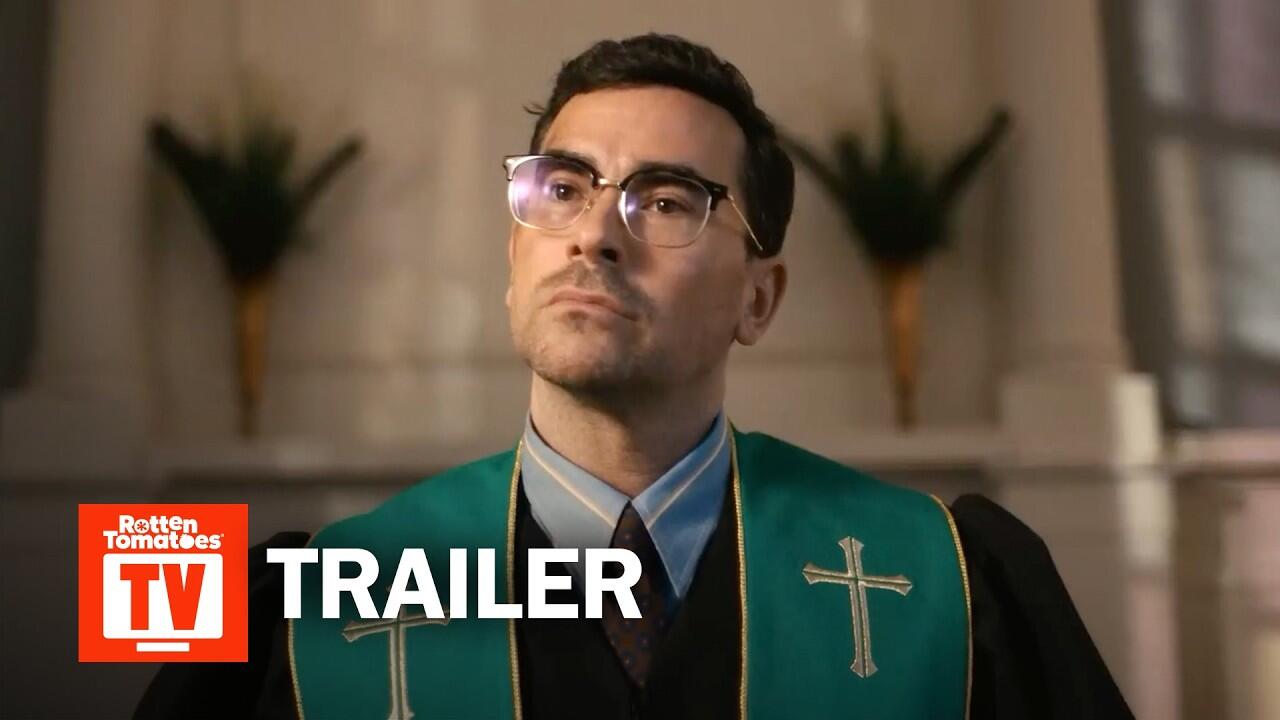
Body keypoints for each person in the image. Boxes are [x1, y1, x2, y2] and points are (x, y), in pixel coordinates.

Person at [136, 33, 1132, 720]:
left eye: (666, 201)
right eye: (563, 188)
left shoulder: (949, 583)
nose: (594, 237)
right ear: (513, 261)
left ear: (758, 299)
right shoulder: (293, 600)